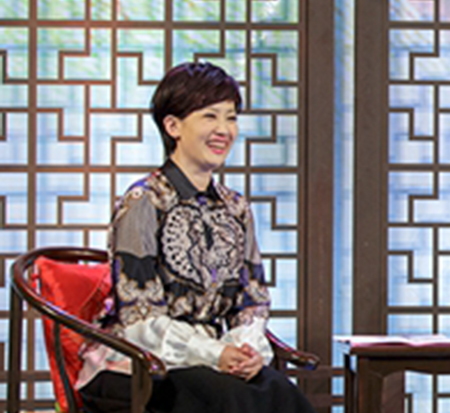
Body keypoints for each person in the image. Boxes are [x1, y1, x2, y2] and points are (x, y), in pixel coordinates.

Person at [76, 62, 314, 413]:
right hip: (136, 363)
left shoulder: (236, 208)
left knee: (280, 391)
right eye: (209, 117)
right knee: (228, 398)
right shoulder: (143, 202)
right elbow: (139, 319)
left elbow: (251, 303)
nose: (224, 130)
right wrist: (215, 354)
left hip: (211, 360)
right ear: (172, 126)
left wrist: (245, 351)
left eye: (231, 118)